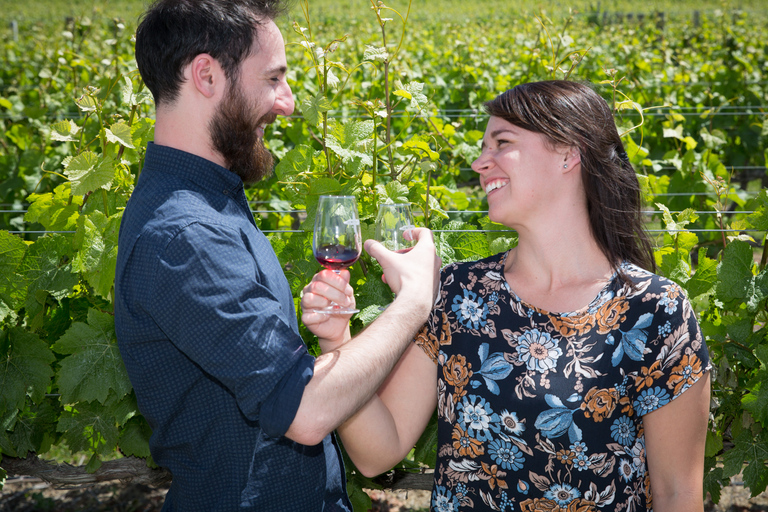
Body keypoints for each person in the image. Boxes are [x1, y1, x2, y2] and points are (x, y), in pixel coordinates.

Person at [301, 80, 711, 512]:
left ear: (569, 152)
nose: (481, 163)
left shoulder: (655, 311)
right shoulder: (460, 295)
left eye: (502, 143)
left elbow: (677, 494)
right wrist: (336, 338)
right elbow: (376, 452)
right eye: (483, 147)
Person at [113, 1, 440, 510]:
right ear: (206, 75)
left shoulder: (210, 200)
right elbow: (305, 412)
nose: (287, 102)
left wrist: (334, 337)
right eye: (272, 79)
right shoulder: (186, 237)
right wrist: (415, 300)